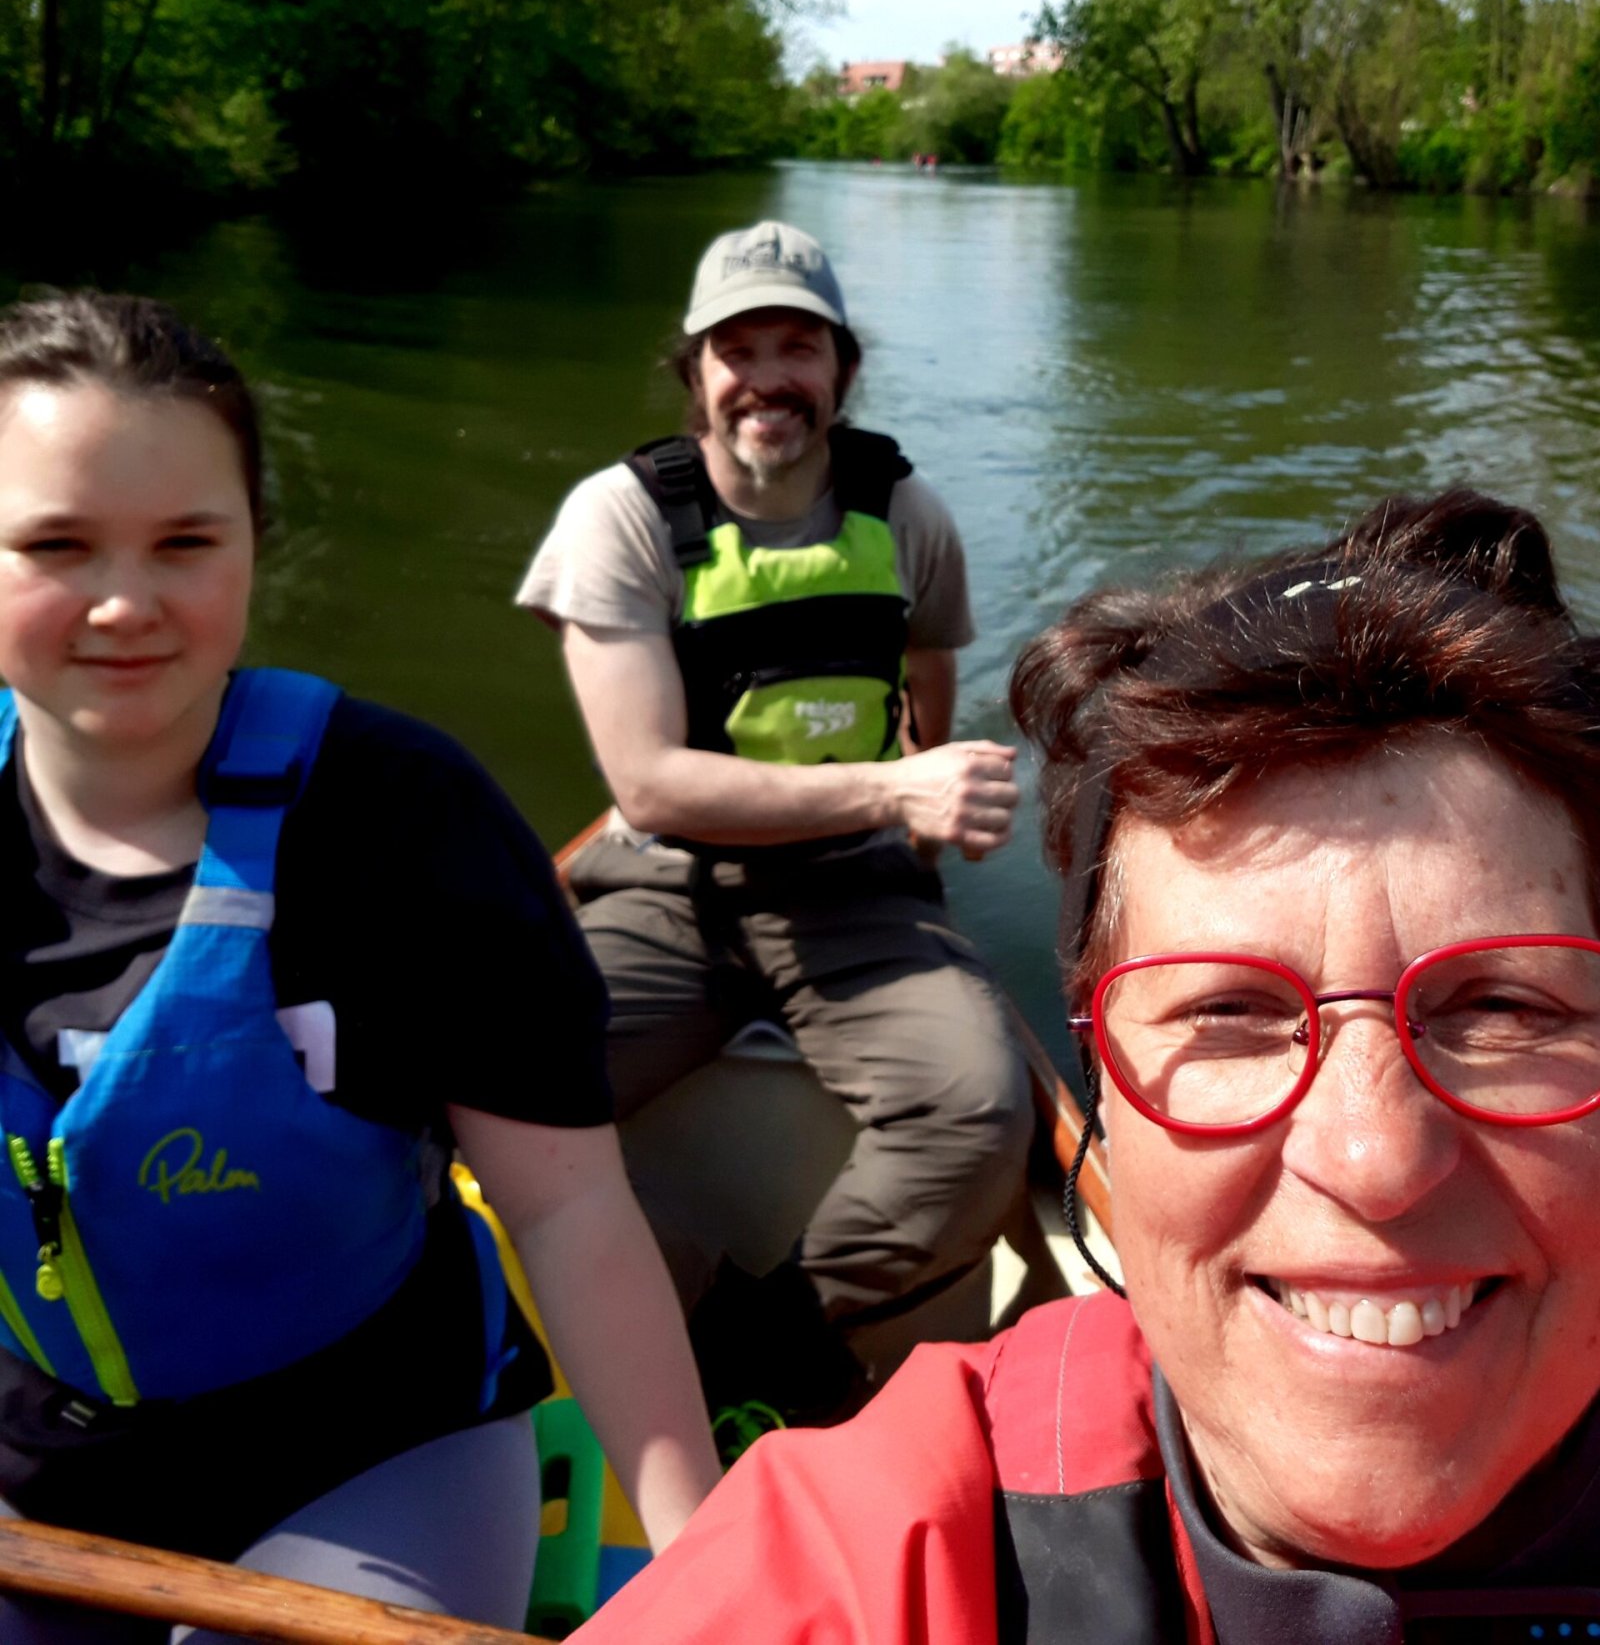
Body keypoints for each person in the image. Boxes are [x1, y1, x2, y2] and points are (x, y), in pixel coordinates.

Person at [570, 486, 1600, 1641]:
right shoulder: (887, 1535)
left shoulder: (897, 524)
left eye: (1502, 1006)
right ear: (1103, 1083)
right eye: (1228, 1011)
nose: (1376, 1159)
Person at [0, 291, 719, 1643]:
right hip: (34, 1467)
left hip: (374, 1452)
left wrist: (712, 1559)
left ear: (256, 542)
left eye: (185, 542)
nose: (125, 601)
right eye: (56, 544)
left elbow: (567, 1211)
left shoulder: (407, 823)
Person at [518, 221, 1031, 1403]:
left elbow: (925, 706)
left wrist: (937, 802)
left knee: (977, 1113)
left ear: (842, 367)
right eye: (735, 349)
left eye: (796, 347)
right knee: (484, 1084)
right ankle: (643, 1306)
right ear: (694, 369)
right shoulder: (619, 517)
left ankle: (755, 1354)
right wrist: (897, 787)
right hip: (666, 887)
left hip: (857, 889)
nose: (766, 378)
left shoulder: (909, 515)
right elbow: (646, 784)